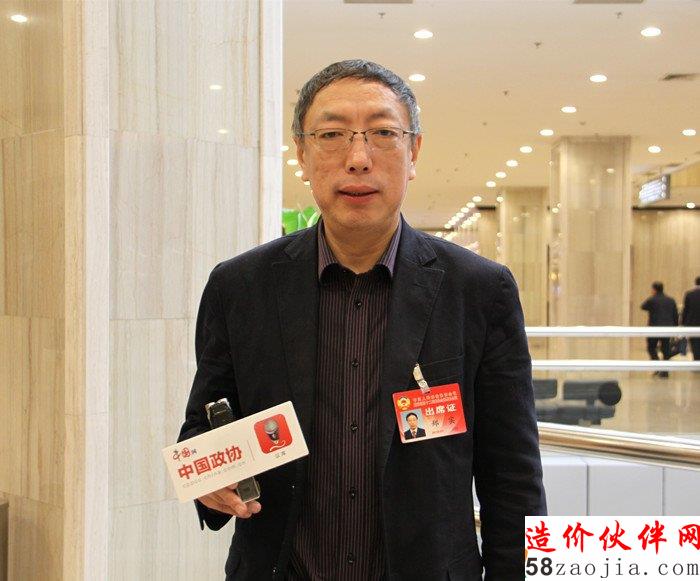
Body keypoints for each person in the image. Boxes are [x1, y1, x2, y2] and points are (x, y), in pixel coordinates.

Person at [179, 60, 546, 581]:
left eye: (383, 133)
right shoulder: (240, 286)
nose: (358, 159)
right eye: (331, 135)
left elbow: (512, 475)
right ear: (302, 154)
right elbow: (204, 424)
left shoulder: (479, 290)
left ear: (413, 152)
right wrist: (211, 480)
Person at [641, 281, 679, 378]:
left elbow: (643, 306)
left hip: (654, 328)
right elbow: (675, 314)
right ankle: (665, 371)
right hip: (667, 328)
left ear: (654, 289)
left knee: (651, 347)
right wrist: (675, 327)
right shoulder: (671, 300)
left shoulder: (652, 300)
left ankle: (658, 365)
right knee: (665, 349)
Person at [681, 276, 700, 361]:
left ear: (695, 283)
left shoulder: (689, 294)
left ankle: (697, 362)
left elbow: (685, 310)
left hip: (693, 324)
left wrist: (683, 323)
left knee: (695, 346)